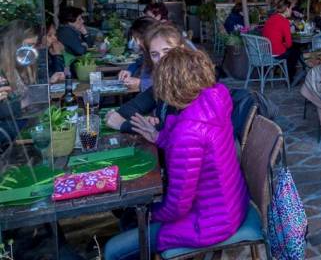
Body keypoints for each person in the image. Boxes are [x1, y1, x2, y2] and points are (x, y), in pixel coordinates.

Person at [103, 48, 249, 259]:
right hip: (231, 204)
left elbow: (177, 206)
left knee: (114, 250)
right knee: (131, 215)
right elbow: (198, 150)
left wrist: (149, 213)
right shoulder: (214, 99)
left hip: (209, 223)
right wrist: (158, 136)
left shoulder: (188, 133)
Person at [105, 23, 190, 134]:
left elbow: (176, 135)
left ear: (182, 50)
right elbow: (128, 109)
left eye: (167, 51)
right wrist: (147, 123)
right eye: (154, 54)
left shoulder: (191, 85)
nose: (161, 59)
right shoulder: (164, 82)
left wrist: (124, 125)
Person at [262, 0, 300, 82]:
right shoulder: (284, 21)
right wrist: (283, 44)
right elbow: (289, 44)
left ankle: (283, 72)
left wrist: (282, 43)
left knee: (292, 50)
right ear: (286, 9)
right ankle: (289, 78)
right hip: (276, 52)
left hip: (266, 50)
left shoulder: (271, 18)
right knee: (295, 52)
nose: (291, 11)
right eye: (291, 9)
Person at [117, 17, 158, 91]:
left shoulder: (163, 54)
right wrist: (129, 71)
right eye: (136, 38)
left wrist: (141, 83)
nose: (138, 42)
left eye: (141, 38)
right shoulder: (147, 52)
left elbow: (170, 83)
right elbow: (139, 61)